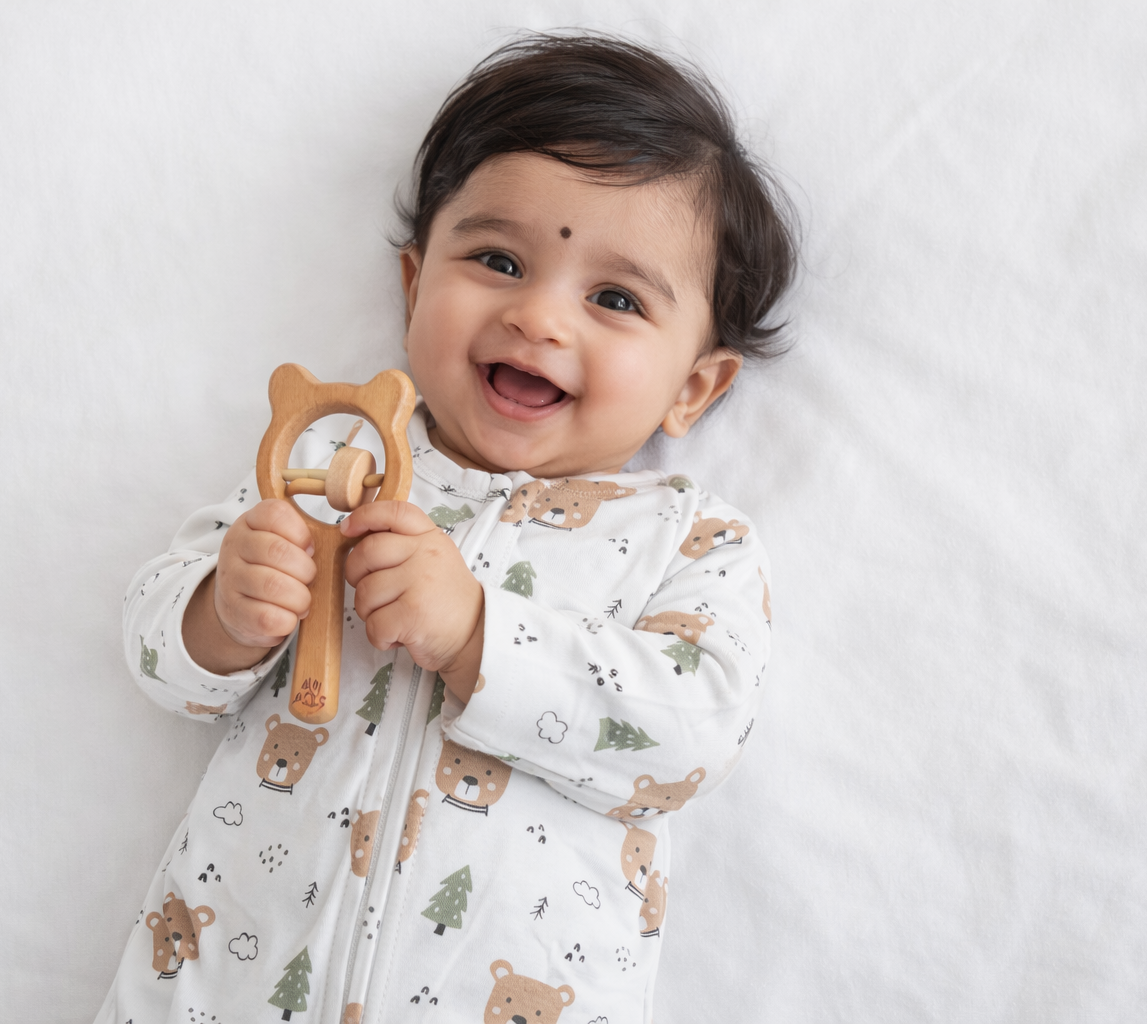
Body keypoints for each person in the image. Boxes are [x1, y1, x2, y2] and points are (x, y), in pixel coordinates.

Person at [97, 32, 796, 1024]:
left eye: (614, 298)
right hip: (230, 987)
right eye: (498, 260)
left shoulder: (687, 541)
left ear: (694, 386)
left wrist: (476, 634)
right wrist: (225, 609)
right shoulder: (331, 464)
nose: (540, 318)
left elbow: (691, 738)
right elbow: (156, 654)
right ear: (414, 285)